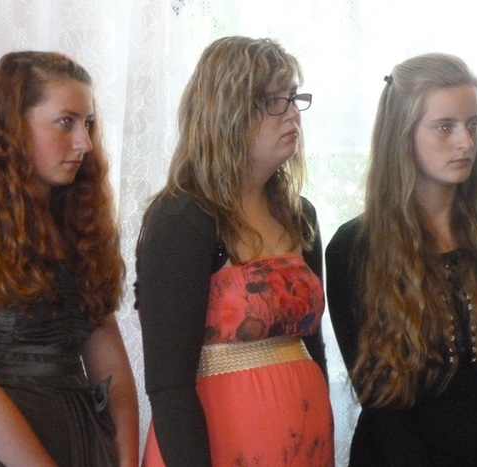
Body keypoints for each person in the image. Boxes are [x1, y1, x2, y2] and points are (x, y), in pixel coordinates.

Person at [325, 52, 477, 466]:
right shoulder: (354, 248)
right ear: (402, 134)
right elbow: (379, 401)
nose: (466, 142)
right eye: (445, 127)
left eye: (473, 124)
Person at [135, 36, 334, 466]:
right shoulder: (182, 220)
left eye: (293, 97)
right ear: (226, 112)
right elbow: (168, 386)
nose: (293, 113)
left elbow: (313, 349)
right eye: (273, 101)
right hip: (215, 446)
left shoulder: (301, 216)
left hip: (305, 443)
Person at [0, 51, 139, 466]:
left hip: (83, 442)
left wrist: (126, 461)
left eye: (88, 123)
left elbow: (112, 370)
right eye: (66, 121)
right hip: (1, 450)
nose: (84, 142)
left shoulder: (78, 227)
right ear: (13, 126)